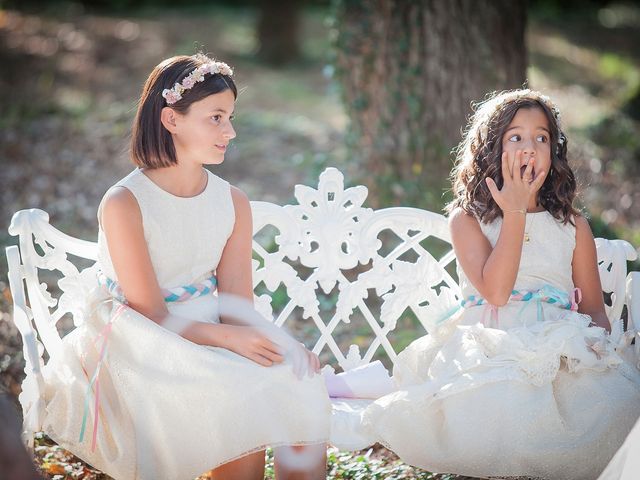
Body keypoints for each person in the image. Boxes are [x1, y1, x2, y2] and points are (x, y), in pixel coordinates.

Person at [36, 53, 330, 480]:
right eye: (215, 117)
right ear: (171, 120)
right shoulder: (125, 202)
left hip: (208, 325)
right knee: (237, 396)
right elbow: (151, 314)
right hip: (139, 337)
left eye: (230, 116)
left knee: (299, 380)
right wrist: (229, 340)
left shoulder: (232, 201)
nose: (230, 131)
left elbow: (235, 305)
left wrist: (273, 341)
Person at [361, 89, 640, 480]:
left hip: (560, 348)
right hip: (493, 347)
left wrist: (596, 346)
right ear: (491, 148)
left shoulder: (572, 225)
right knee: (505, 407)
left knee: (608, 412)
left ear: (554, 151)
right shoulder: (468, 219)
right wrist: (514, 211)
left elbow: (593, 307)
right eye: (516, 137)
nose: (530, 148)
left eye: (541, 137)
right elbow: (496, 292)